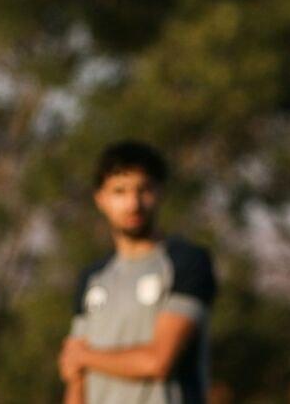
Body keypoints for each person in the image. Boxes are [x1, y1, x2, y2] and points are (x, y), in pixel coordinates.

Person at [58, 141, 217, 404]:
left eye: (143, 190)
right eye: (119, 191)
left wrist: (86, 357)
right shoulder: (92, 278)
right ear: (101, 199)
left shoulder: (187, 262)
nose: (133, 203)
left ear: (160, 192)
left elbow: (157, 362)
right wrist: (78, 363)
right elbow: (76, 377)